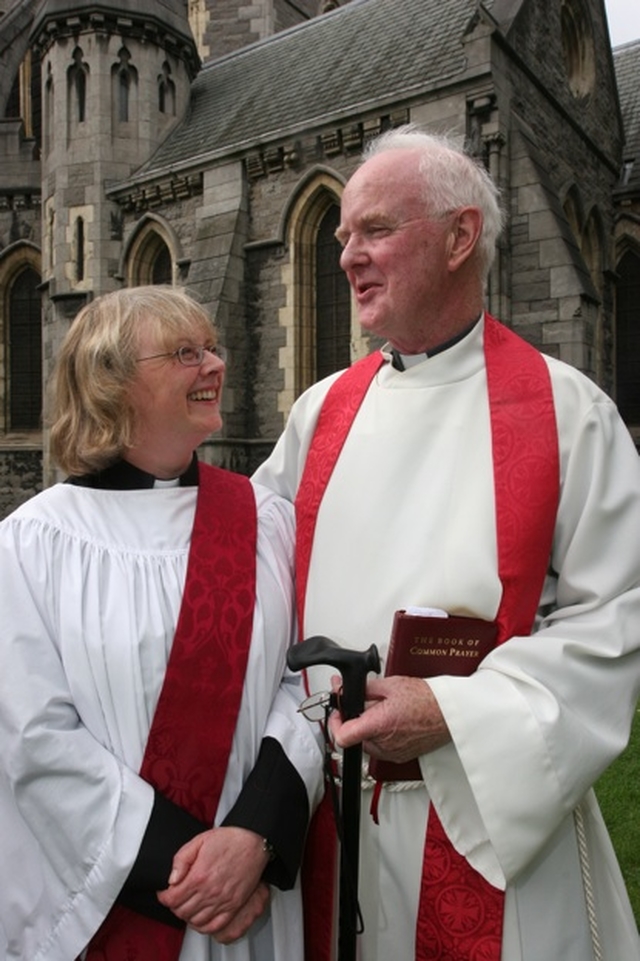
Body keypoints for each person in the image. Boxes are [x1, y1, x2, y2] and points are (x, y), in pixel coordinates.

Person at [253, 126, 640, 960]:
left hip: (484, 812)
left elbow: (615, 617)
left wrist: (452, 712)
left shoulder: (567, 412)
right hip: (327, 807)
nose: (347, 254)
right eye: (343, 232)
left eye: (376, 230)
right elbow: (249, 579)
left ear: (462, 236)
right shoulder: (319, 412)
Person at [0, 285, 324, 961]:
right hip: (117, 899)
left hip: (252, 890)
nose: (213, 365)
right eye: (184, 352)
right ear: (110, 382)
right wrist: (199, 870)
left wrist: (257, 836)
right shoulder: (30, 543)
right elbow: (33, 737)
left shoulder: (265, 521)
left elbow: (302, 684)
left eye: (211, 348)